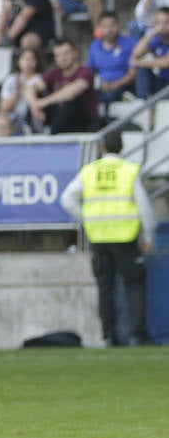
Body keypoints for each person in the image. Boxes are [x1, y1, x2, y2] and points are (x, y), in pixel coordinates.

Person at [60, 130, 154, 347]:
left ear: (102, 147)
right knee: (135, 285)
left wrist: (88, 218)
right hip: (125, 235)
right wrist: (147, 235)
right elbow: (144, 207)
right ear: (121, 147)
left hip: (99, 235)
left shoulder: (89, 171)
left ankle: (109, 336)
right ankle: (138, 335)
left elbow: (67, 199)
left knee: (105, 287)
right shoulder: (128, 170)